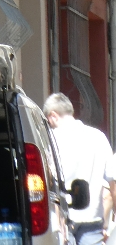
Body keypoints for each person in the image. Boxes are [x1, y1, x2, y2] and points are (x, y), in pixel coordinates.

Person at [44, 93, 116, 244]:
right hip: (93, 220)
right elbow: (113, 184)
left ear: (53, 116)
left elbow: (49, 182)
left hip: (63, 222)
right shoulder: (98, 137)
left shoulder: (51, 140)